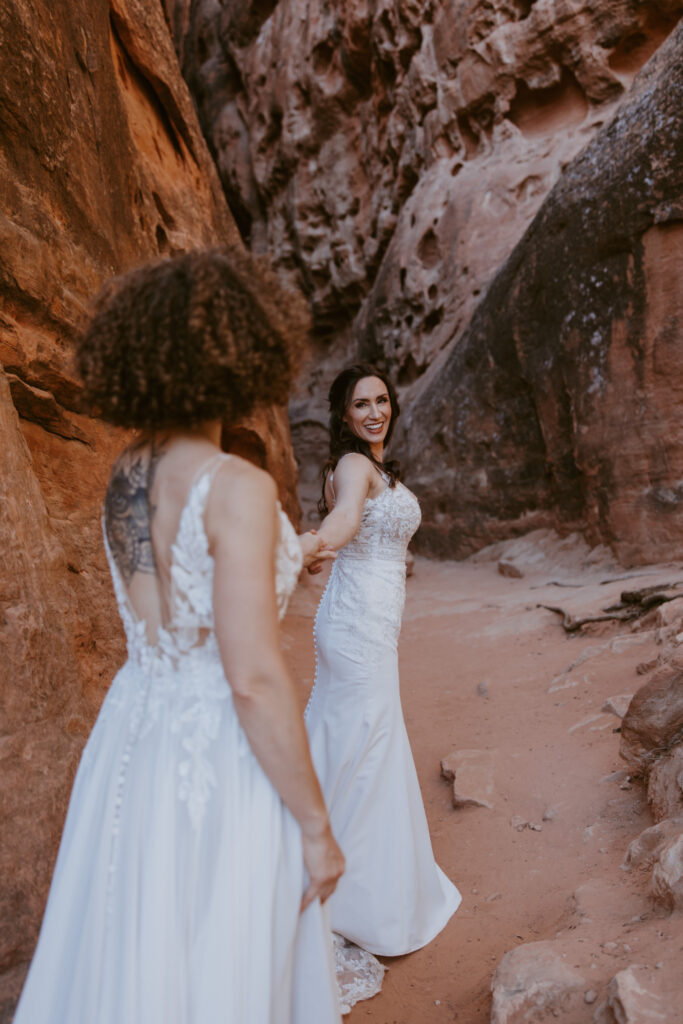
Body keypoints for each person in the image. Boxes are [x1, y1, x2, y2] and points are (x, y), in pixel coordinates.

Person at [13, 248, 344, 1024]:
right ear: (243, 352)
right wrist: (317, 828)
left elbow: (165, 613)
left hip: (133, 733)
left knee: (136, 943)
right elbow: (250, 678)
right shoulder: (238, 486)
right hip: (220, 753)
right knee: (220, 960)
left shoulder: (124, 478)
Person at [305, 363, 461, 958]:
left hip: (370, 622)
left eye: (380, 401)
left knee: (357, 741)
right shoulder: (351, 466)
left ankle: (338, 873)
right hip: (355, 628)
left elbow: (365, 532)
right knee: (365, 745)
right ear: (344, 417)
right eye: (360, 405)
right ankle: (354, 903)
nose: (374, 412)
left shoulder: (371, 469)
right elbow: (344, 518)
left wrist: (330, 549)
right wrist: (317, 543)